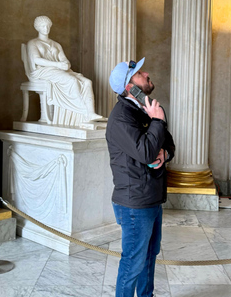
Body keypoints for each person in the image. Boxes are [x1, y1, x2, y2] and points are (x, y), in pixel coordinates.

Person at [106, 58, 175, 297]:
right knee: (133, 262)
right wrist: (157, 120)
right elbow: (145, 151)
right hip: (134, 202)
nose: (145, 73)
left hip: (152, 198)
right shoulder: (121, 117)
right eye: (137, 73)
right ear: (129, 87)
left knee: (149, 256)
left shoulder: (144, 109)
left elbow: (169, 144)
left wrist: (165, 153)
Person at [26, 16, 103, 126]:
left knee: (87, 82)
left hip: (60, 70)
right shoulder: (33, 43)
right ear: (37, 28)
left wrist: (65, 65)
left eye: (48, 25)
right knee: (71, 80)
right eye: (43, 26)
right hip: (43, 71)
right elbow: (36, 60)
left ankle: (91, 113)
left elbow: (64, 60)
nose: (46, 28)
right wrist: (57, 64)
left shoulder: (56, 44)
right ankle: (82, 111)